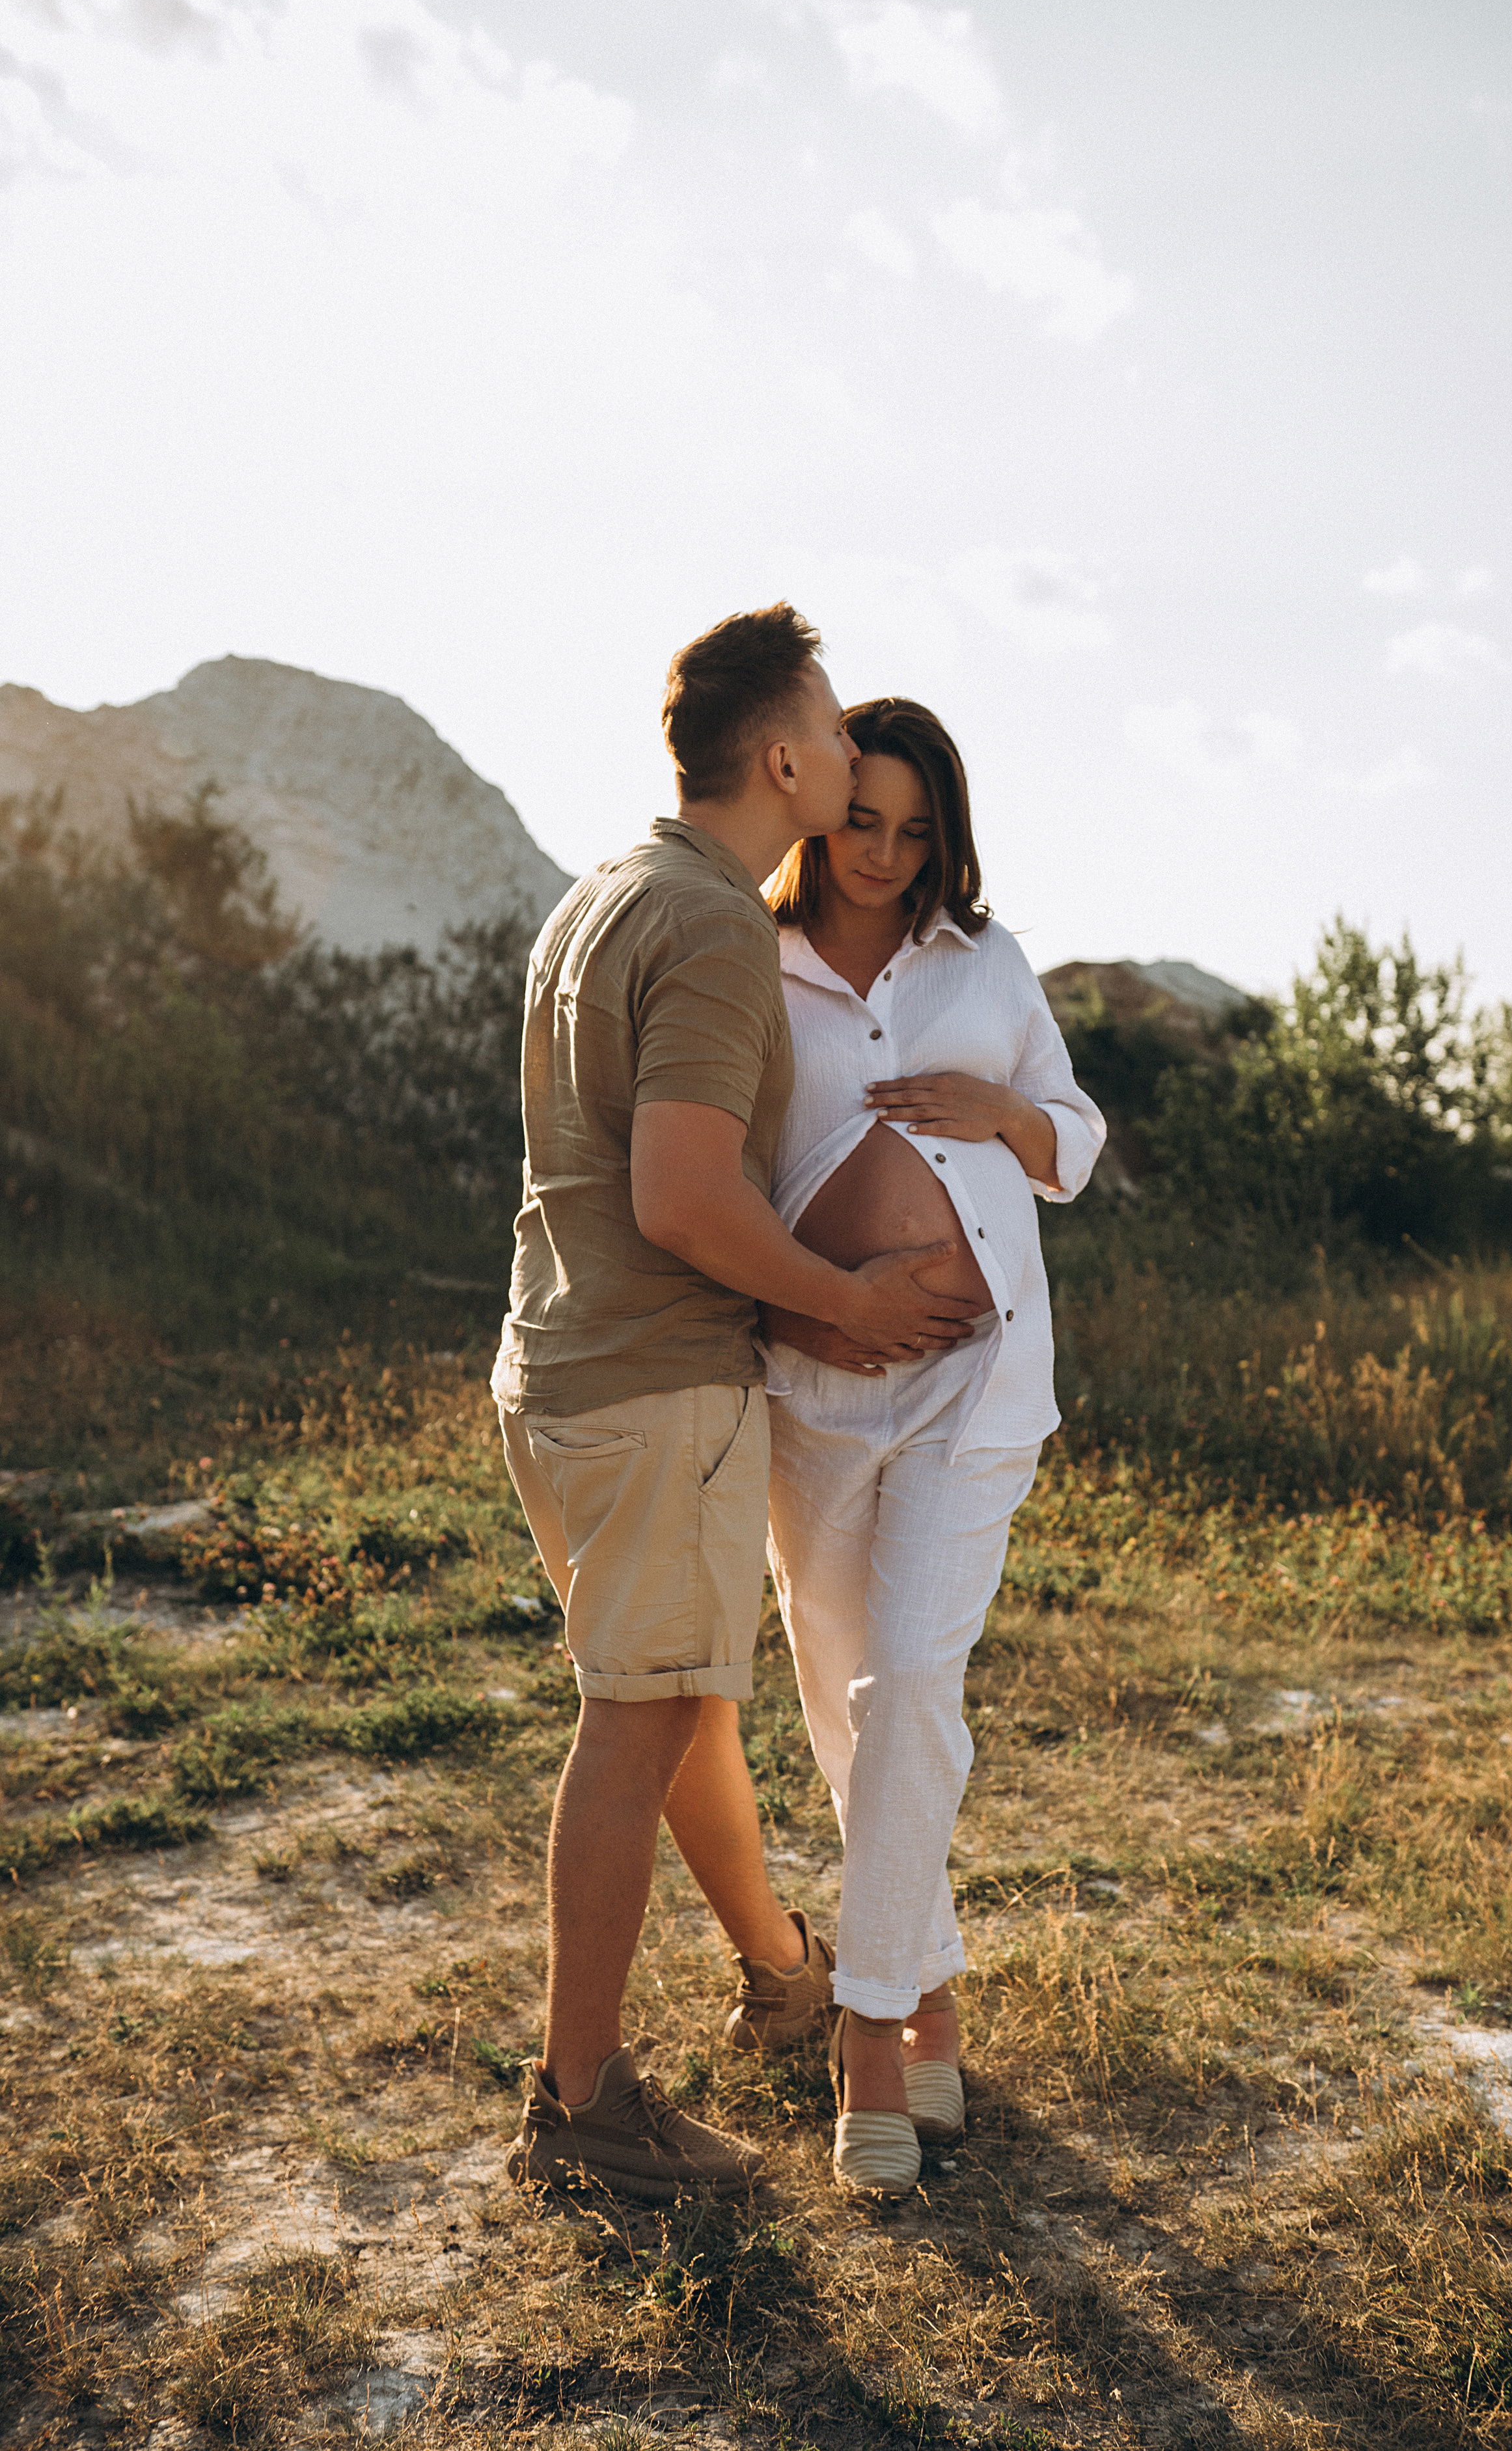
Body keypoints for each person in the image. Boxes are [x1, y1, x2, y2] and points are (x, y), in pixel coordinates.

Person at [491, 613, 982, 2205]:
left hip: (555, 1364)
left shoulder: (598, 897)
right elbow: (687, 1194)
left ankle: (779, 1969)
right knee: (637, 1721)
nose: (849, 761)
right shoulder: (707, 926)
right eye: (835, 736)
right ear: (780, 758)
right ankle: (581, 2105)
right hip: (655, 1379)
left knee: (683, 1697)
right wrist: (847, 1302)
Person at [760, 697, 1106, 2195]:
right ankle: (938, 1988)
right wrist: (819, 1306)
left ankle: (872, 2031)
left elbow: (1079, 1140)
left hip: (977, 1389)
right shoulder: (742, 963)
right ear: (817, 806)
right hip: (812, 1387)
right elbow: (712, 1168)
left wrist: (1005, 1117)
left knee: (908, 1678)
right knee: (856, 1718)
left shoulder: (990, 961)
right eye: (861, 822)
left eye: (914, 832)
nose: (884, 856)